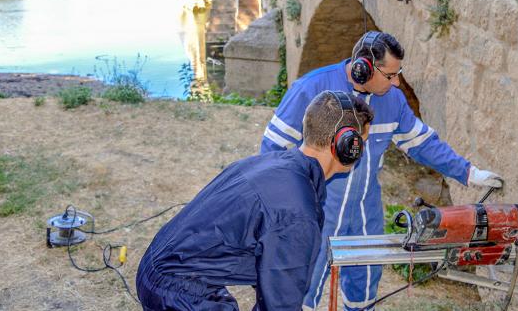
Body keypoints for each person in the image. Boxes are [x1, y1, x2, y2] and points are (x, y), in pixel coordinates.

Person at [260, 31, 504, 310]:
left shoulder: (393, 100)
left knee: (363, 290)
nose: (397, 82)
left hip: (365, 212)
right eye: (390, 75)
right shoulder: (311, 89)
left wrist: (470, 173)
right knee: (303, 289)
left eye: (398, 74)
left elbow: (422, 144)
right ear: (363, 67)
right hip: (316, 210)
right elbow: (271, 152)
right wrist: (282, 210)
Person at [136, 91, 375, 311]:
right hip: (176, 289)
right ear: (346, 146)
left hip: (164, 269)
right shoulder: (297, 212)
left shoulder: (272, 164)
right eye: (361, 142)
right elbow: (280, 304)